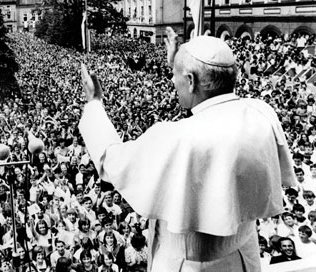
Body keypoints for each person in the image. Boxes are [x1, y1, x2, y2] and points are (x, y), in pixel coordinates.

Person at [79, 27, 297, 271]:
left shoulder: (173, 137)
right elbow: (210, 118)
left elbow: (111, 160)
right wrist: (179, 63)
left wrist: (94, 105)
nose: (173, 81)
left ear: (191, 81)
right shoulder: (262, 114)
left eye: (175, 75)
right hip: (243, 258)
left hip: (187, 265)